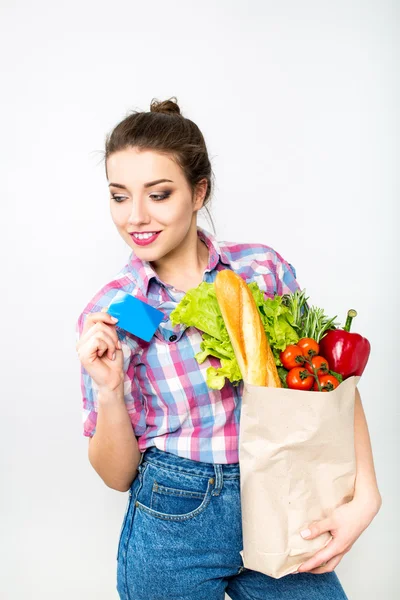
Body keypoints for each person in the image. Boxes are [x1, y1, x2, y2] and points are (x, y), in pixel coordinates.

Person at [75, 97, 382, 600]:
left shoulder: (261, 270)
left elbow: (328, 386)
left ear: (199, 192)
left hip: (281, 494)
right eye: (118, 196)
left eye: (158, 194)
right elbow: (117, 475)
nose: (135, 217)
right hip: (173, 516)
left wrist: (365, 492)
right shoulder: (111, 312)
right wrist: (109, 392)